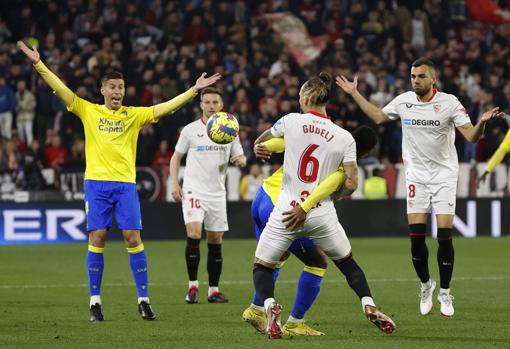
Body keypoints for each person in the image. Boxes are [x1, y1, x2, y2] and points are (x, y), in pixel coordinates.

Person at [18, 40, 221, 322]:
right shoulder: (89, 110)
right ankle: (95, 302)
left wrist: (193, 91)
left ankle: (143, 300)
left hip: (125, 185)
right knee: (97, 237)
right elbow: (61, 90)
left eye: (121, 88)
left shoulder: (133, 115)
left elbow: (164, 108)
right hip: (96, 185)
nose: (117, 92)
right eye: (112, 87)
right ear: (103, 90)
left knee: (132, 238)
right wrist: (38, 64)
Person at [336, 57, 503, 317]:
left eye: (421, 76)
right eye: (413, 76)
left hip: (444, 175)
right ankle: (426, 285)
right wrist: (355, 93)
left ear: (433, 78)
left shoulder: (449, 103)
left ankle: (445, 292)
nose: (416, 81)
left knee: (444, 235)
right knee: (416, 237)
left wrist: (481, 122)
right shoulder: (404, 101)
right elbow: (379, 117)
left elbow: (470, 135)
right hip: (416, 176)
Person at [252, 72, 395, 339]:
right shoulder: (344, 138)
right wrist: (335, 194)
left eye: (299, 97)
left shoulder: (291, 122)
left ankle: (270, 306)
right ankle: (369, 304)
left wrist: (261, 148)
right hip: (321, 215)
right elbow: (351, 183)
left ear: (306, 97)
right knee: (348, 264)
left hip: (285, 211)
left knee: (262, 266)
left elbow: (263, 141)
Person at [243, 125, 380, 337]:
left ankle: (256, 309)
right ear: (366, 153)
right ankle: (295, 323)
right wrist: (306, 207)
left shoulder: (323, 138)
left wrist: (266, 146)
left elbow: (285, 143)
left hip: (262, 196)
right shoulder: (345, 161)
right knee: (317, 262)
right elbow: (331, 186)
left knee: (275, 257)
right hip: (284, 207)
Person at [169, 87, 246, 304]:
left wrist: (240, 161)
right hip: (194, 189)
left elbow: (240, 157)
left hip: (217, 193)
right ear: (201, 105)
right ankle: (192, 287)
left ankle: (213, 290)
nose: (211, 106)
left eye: (215, 102)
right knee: (194, 234)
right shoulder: (190, 130)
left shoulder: (230, 130)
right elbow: (176, 158)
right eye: (207, 102)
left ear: (221, 106)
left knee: (215, 241)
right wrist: (175, 184)